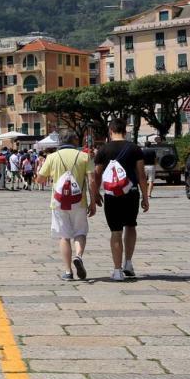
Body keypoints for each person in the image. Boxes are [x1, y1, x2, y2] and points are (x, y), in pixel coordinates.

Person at [91, 118, 150, 281]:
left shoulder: (103, 150)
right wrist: (145, 197)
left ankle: (117, 271)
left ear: (110, 131)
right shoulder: (134, 149)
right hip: (131, 193)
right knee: (131, 226)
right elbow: (141, 175)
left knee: (115, 231)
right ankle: (128, 263)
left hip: (112, 195)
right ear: (125, 131)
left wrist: (95, 193)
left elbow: (97, 174)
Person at [36, 129, 94, 280]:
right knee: (80, 232)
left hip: (59, 202)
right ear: (75, 140)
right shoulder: (84, 156)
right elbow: (92, 181)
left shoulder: (52, 157)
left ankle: (68, 272)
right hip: (79, 201)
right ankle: (79, 256)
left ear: (60, 142)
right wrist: (93, 201)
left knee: (64, 236)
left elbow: (40, 180)